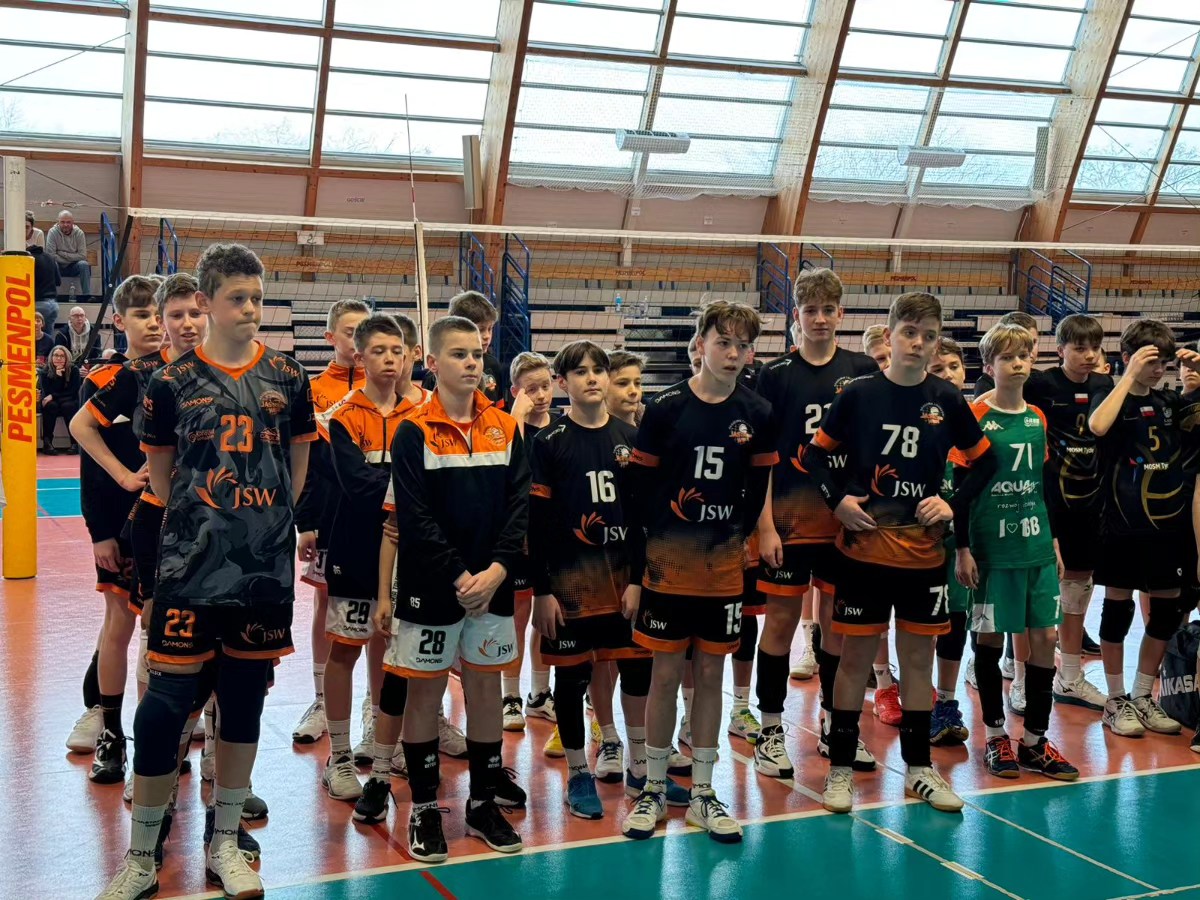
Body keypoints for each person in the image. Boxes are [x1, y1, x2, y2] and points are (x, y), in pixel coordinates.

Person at [96, 243, 315, 900]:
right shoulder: (170, 384)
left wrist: (263, 522)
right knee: (165, 707)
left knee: (244, 700)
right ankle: (142, 854)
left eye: (257, 297)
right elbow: (162, 480)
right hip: (188, 569)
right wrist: (210, 521)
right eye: (237, 298)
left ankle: (224, 841)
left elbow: (296, 471)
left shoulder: (288, 376)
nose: (250, 309)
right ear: (207, 301)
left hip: (263, 574)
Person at [805, 292, 996, 815]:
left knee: (916, 662)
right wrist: (837, 502)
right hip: (864, 552)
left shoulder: (947, 398)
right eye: (909, 332)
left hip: (922, 557)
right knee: (854, 661)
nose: (918, 343)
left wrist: (952, 503)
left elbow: (985, 462)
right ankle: (840, 768)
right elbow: (813, 457)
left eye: (929, 336)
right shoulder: (859, 394)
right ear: (889, 336)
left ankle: (918, 769)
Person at [623, 300, 776, 844]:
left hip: (723, 569)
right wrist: (638, 572)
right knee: (665, 675)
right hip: (668, 567)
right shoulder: (665, 409)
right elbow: (638, 497)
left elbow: (756, 491)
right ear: (700, 345)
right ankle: (653, 787)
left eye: (743, 345)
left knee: (711, 675)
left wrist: (741, 540)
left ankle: (705, 792)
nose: (733, 354)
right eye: (723, 342)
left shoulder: (758, 413)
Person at [383, 315, 529, 862]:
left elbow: (518, 509)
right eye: (459, 354)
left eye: (477, 354)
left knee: (486, 690)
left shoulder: (507, 428)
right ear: (432, 362)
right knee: (424, 693)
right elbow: (414, 517)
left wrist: (498, 569)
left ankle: (483, 802)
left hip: (493, 584)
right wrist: (460, 575)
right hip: (433, 584)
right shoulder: (412, 431)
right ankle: (424, 807)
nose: (472, 362)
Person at [530, 340, 689, 822]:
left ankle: (640, 768)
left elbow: (642, 519)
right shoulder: (548, 441)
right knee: (571, 677)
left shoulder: (630, 437)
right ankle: (579, 773)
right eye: (580, 372)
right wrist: (542, 591)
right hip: (570, 585)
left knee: (637, 674)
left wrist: (639, 580)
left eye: (598, 370)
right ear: (562, 383)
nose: (592, 379)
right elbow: (536, 523)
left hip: (624, 583)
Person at [753, 268, 878, 780]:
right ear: (796, 316)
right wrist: (764, 526)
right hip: (789, 520)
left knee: (837, 627)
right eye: (811, 310)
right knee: (780, 624)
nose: (820, 319)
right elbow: (761, 458)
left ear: (841, 314)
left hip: (844, 523)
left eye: (829, 310)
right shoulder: (776, 374)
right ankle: (770, 731)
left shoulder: (863, 370)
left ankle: (832, 722)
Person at [952, 324, 1077, 781]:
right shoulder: (974, 416)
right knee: (988, 639)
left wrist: (1055, 541)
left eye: (1023, 355)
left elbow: (1044, 484)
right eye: (1007, 357)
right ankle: (995, 735)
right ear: (989, 367)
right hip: (991, 550)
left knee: (1044, 639)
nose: (1018, 363)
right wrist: (963, 548)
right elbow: (960, 491)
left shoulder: (1037, 417)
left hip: (1035, 545)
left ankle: (1035, 741)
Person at [320, 314, 431, 813]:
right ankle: (340, 755)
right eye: (380, 350)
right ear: (359, 356)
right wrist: (412, 495)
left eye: (397, 350)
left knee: (395, 652)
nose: (390, 359)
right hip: (356, 548)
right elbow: (356, 484)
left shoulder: (423, 410)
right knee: (345, 648)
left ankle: (390, 742)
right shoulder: (343, 416)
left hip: (410, 550)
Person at [67, 276, 162, 787]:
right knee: (118, 623)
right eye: (142, 315)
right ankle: (107, 728)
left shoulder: (183, 374)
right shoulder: (106, 380)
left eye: (158, 314)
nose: (154, 323)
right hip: (120, 526)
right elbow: (90, 466)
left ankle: (157, 733)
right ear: (120, 321)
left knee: (158, 631)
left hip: (170, 524)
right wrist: (98, 532)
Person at [1089, 319, 1200, 738]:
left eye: (1164, 363)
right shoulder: (1108, 395)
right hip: (1121, 526)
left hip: (1167, 528)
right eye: (1151, 362)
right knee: (1117, 609)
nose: (1159, 370)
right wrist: (1129, 375)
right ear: (1127, 357)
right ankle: (1115, 699)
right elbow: (1098, 426)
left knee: (1166, 609)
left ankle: (1141, 695)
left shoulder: (1170, 402)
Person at [1018, 315, 1114, 708]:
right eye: (1079, 348)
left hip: (1088, 504)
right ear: (1060, 351)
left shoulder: (1104, 386)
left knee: (1077, 586)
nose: (1089, 355)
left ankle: (1070, 676)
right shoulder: (1041, 384)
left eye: (1095, 348)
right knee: (1032, 588)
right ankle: (1021, 676)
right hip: (1045, 500)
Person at [292, 299, 369, 746]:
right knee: (325, 603)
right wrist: (305, 521)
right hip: (328, 516)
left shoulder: (388, 387)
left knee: (382, 608)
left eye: (364, 330)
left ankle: (375, 707)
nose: (357, 340)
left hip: (376, 518)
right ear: (330, 337)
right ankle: (322, 700)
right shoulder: (314, 389)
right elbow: (304, 463)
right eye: (350, 331)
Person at [502, 351, 557, 734]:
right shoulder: (508, 426)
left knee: (547, 614)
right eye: (531, 389)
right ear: (516, 392)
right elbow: (509, 469)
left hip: (553, 535)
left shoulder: (563, 427)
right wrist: (517, 417)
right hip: (519, 536)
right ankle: (510, 697)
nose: (540, 395)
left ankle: (540, 694)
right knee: (517, 618)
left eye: (545, 386)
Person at [927, 336, 972, 746]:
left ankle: (945, 701)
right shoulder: (918, 420)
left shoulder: (976, 424)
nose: (948, 375)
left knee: (955, 623)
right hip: (918, 544)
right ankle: (914, 697)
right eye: (938, 369)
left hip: (963, 544)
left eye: (954, 366)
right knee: (920, 626)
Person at [422, 291, 508, 406]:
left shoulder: (493, 365)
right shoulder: (435, 375)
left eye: (490, 328)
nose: (487, 336)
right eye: (480, 329)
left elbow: (499, 408)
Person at [972, 311, 1038, 399]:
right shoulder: (986, 384)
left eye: (1034, 342)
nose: (1031, 349)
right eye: (1007, 357)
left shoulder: (1041, 379)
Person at [39, 346, 81, 455]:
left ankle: (75, 442)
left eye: (62, 356)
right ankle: (47, 442)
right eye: (56, 355)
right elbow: (47, 392)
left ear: (67, 358)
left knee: (68, 406)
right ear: (51, 357)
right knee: (50, 405)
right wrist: (58, 378)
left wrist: (53, 396)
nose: (59, 358)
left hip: (69, 399)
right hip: (54, 401)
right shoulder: (44, 372)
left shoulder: (74, 370)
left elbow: (72, 391)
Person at [46, 209, 91, 299]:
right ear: (58, 222)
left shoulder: (79, 233)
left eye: (68, 222)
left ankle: (87, 295)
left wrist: (62, 254)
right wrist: (72, 257)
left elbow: (82, 255)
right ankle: (51, 296)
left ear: (72, 222)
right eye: (62, 222)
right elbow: (51, 255)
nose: (65, 225)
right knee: (51, 264)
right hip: (57, 266)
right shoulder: (52, 232)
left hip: (73, 266)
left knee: (84, 264)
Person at [31, 244, 60, 332]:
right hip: (54, 305)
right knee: (48, 336)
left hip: (39, 303)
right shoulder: (51, 258)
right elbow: (58, 282)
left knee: (34, 336)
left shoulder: (30, 260)